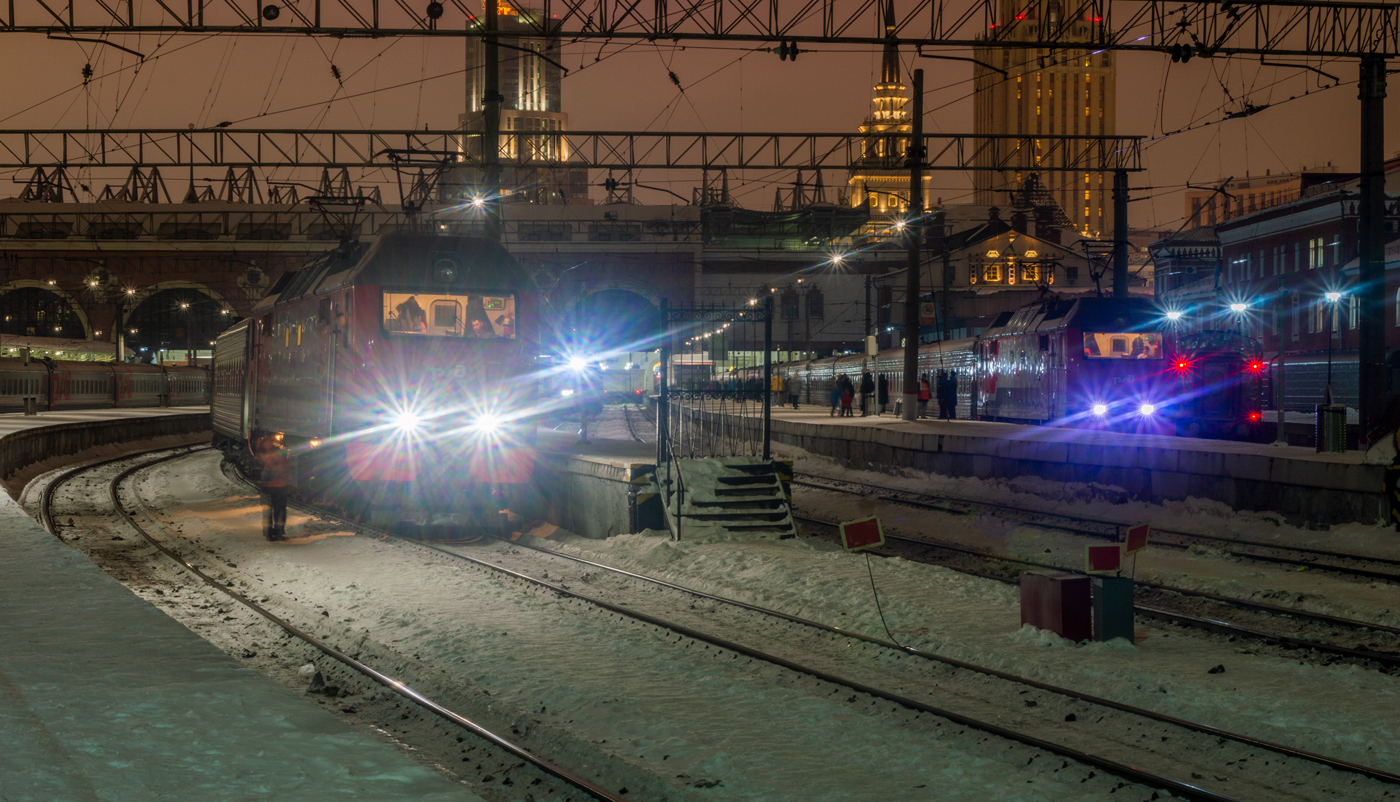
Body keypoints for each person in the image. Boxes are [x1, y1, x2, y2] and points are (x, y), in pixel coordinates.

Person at [255, 433, 291, 541]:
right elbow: (284, 466)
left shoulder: (260, 456)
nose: (269, 443)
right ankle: (275, 532)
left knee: (272, 511)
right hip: (276, 485)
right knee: (278, 510)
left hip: (272, 486)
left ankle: (272, 533)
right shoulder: (275, 454)